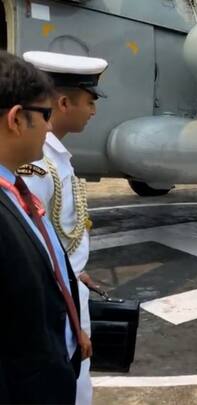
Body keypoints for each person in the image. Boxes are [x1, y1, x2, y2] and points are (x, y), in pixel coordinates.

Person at [20, 51, 107, 405]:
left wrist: (75, 272)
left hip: (69, 287)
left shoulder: (54, 157)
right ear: (64, 102)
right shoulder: (37, 163)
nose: (93, 111)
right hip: (55, 304)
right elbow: (32, 248)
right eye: (90, 101)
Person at [0, 51, 87, 404]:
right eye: (45, 115)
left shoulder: (15, 193)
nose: (50, 127)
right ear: (17, 119)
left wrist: (71, 330)